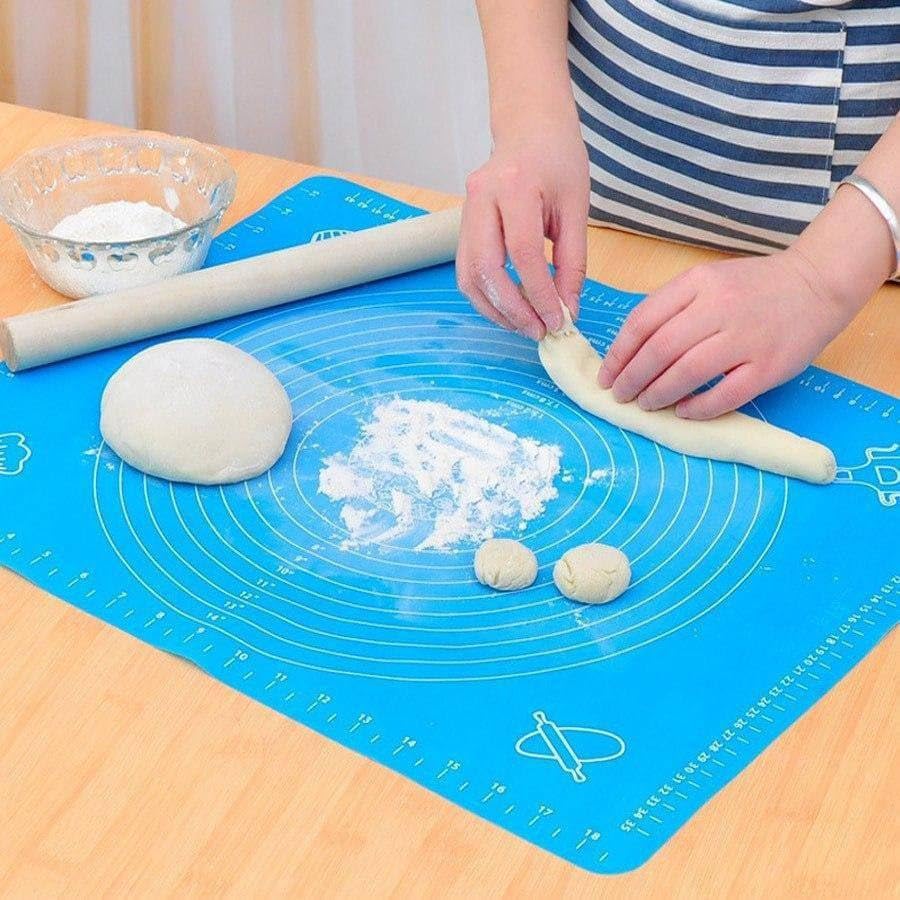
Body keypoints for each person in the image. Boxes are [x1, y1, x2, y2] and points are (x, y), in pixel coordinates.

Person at [456, 0, 899, 419]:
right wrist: (530, 119)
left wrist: (818, 280)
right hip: (608, 199)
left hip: (867, 247)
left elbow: (825, 276)